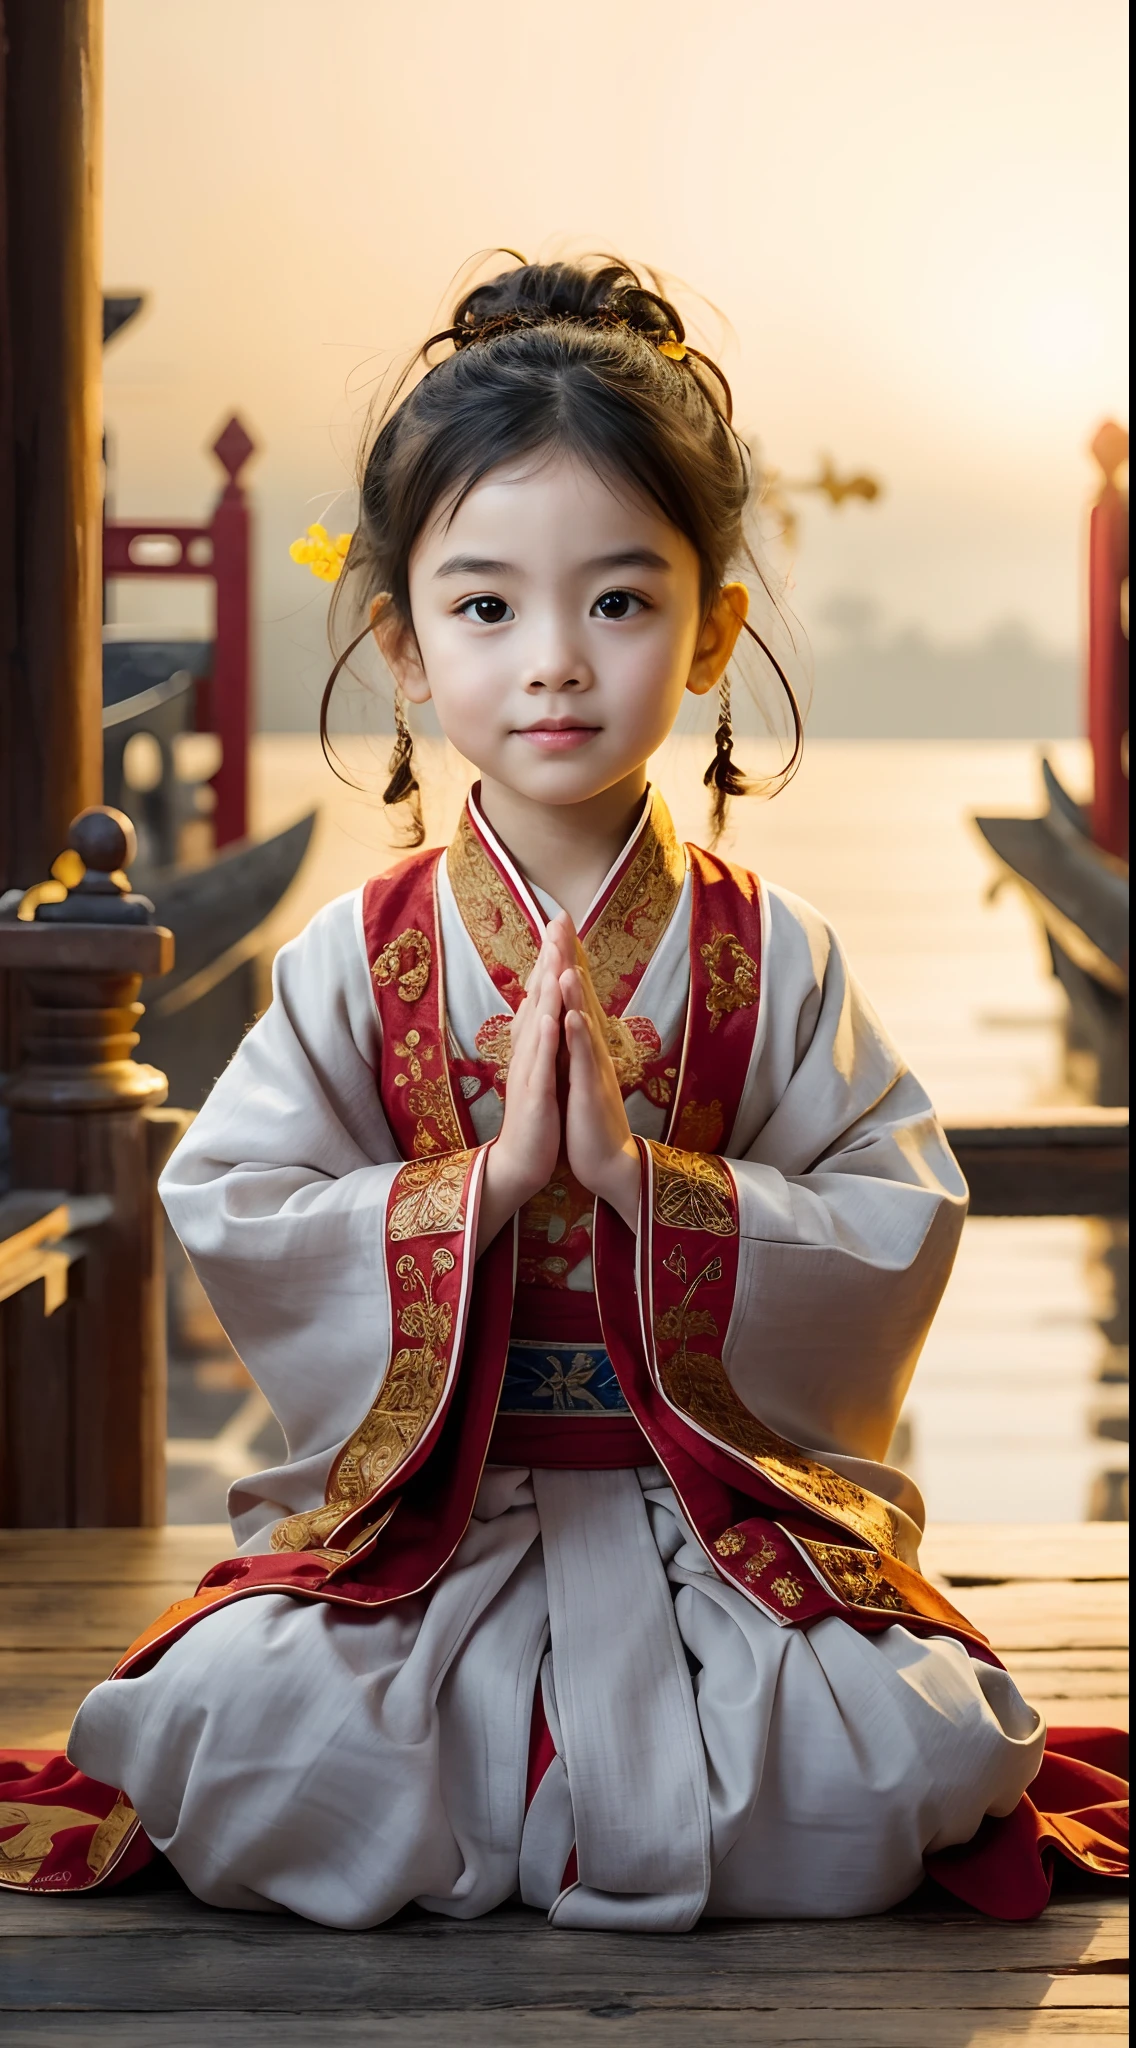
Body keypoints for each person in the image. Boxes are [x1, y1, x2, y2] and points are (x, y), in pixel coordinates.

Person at [6, 258, 1122, 1924]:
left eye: (617, 601)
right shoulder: (354, 954)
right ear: (399, 642)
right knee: (233, 1736)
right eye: (483, 607)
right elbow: (229, 1203)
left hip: (709, 1515)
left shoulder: (774, 954)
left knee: (912, 1755)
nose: (552, 662)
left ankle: (531, 1800)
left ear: (711, 627)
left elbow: (902, 1211)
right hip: (426, 1521)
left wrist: (650, 1186)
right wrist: (481, 1189)